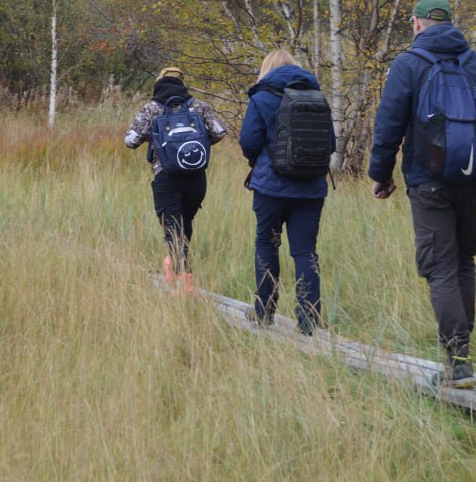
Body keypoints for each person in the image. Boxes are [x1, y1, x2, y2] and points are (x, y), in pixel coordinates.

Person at [368, 0, 476, 389]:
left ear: (416, 24)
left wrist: (379, 176)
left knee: (440, 267)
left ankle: (459, 362)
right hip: (474, 181)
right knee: (464, 261)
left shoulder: (408, 65)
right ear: (451, 24)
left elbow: (389, 125)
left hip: (428, 181)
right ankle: (462, 354)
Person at [239, 49, 329, 335]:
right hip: (311, 188)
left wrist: (261, 162)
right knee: (305, 252)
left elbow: (248, 141)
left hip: (270, 188)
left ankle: (264, 312)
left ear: (267, 69)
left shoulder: (261, 97)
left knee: (267, 244)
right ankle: (309, 320)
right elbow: (332, 144)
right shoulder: (317, 97)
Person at [125, 66, 228, 294]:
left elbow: (130, 140)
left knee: (172, 228)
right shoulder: (199, 106)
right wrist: (196, 144)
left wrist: (157, 140)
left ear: (159, 82)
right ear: (183, 83)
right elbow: (220, 131)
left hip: (166, 177)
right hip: (196, 177)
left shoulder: (152, 108)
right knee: (185, 224)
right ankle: (177, 272)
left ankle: (184, 285)